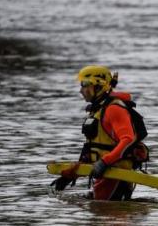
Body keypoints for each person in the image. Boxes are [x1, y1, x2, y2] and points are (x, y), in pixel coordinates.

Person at [52, 65, 148, 200]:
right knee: (97, 214)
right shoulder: (97, 110)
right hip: (104, 176)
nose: (81, 90)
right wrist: (71, 175)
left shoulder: (114, 109)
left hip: (116, 176)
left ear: (99, 86)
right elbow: (92, 149)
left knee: (108, 217)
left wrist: (104, 162)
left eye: (85, 85)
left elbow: (128, 139)